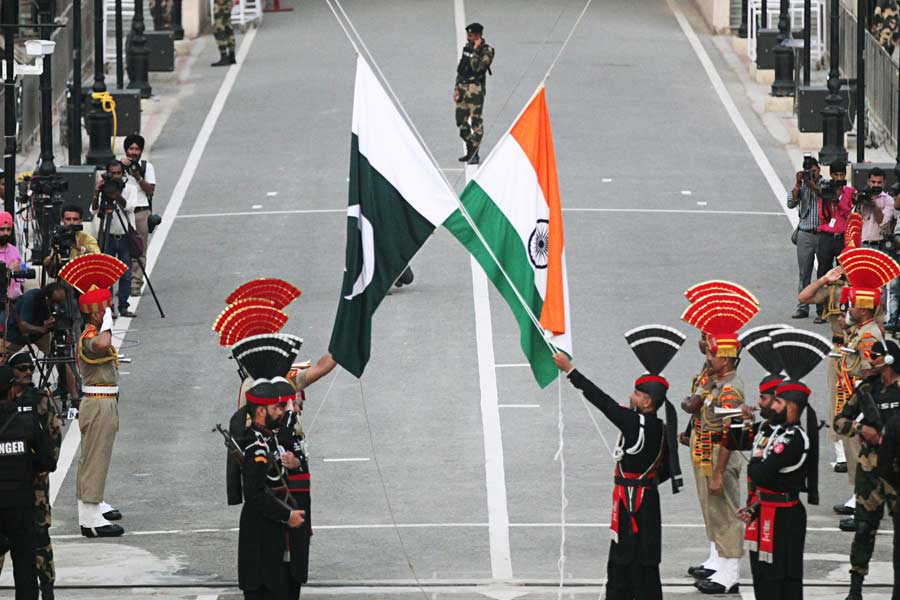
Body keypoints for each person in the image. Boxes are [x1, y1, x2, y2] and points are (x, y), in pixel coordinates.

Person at [551, 323, 684, 600]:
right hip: (649, 501)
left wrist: (570, 370)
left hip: (631, 503)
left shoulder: (634, 423)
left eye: (636, 393)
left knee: (622, 561)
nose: (630, 396)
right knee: (647, 562)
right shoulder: (661, 427)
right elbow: (664, 471)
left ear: (647, 401)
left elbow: (602, 401)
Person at [681, 282, 760, 595]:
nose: (707, 355)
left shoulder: (729, 390)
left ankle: (729, 574)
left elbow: (731, 435)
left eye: (712, 352)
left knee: (726, 511)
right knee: (710, 507)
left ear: (726, 359)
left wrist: (717, 471)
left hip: (719, 455)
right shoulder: (715, 377)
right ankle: (716, 559)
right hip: (705, 449)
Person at [740, 328, 826, 600]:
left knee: (782, 579)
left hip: (784, 517)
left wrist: (755, 462)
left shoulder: (793, 439)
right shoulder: (772, 430)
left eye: (776, 400)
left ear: (791, 406)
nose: (770, 405)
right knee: (763, 577)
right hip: (764, 509)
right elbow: (735, 441)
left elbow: (761, 473)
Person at [229, 333, 310, 599]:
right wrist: (288, 515)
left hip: (279, 547)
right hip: (264, 552)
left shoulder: (270, 441)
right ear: (262, 411)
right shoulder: (257, 447)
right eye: (279, 407)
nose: (286, 411)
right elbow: (255, 494)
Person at [834, 246, 898, 532]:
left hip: (864, 398)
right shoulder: (862, 330)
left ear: (865, 309)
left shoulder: (870, 335)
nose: (850, 309)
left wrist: (855, 371)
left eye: (854, 307)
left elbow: (871, 366)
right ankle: (856, 497)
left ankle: (862, 501)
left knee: (861, 450)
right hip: (853, 391)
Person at [0, 353, 62, 599]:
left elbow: (53, 439)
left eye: (31, 368)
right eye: (22, 368)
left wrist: (41, 470)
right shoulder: (20, 416)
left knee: (40, 535)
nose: (28, 372)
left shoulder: (39, 400)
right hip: (20, 492)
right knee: (19, 551)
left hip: (33, 486)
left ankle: (47, 584)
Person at [74, 285, 124, 537]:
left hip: (103, 402)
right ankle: (91, 519)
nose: (109, 311)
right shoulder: (89, 336)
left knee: (96, 456)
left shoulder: (92, 332)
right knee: (95, 459)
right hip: (98, 404)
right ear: (95, 315)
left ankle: (92, 506)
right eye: (104, 309)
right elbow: (103, 344)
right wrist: (107, 323)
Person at [799, 266, 852, 474]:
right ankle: (841, 453)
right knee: (837, 400)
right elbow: (803, 297)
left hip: (861, 350)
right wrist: (823, 280)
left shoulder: (869, 292)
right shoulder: (834, 290)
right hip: (839, 350)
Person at [0, 282, 79, 405]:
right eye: (54, 302)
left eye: (60, 302)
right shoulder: (31, 298)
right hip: (16, 334)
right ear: (47, 297)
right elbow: (23, 326)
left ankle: (75, 397)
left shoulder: (57, 303)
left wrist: (62, 331)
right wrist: (42, 328)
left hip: (40, 333)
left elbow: (61, 319)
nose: (56, 305)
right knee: (2, 359)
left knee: (60, 358)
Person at [92, 161, 138, 319]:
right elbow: (95, 210)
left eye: (119, 173)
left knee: (125, 273)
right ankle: (108, 308)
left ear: (123, 174)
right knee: (107, 274)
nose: (116, 176)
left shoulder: (130, 189)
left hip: (125, 236)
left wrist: (116, 194)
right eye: (113, 174)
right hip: (107, 235)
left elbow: (130, 207)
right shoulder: (104, 189)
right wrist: (98, 192)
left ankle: (124, 306)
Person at [815, 161, 855, 324]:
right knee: (823, 273)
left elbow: (847, 212)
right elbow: (823, 216)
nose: (839, 178)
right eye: (836, 175)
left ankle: (842, 309)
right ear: (831, 175)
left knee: (844, 274)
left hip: (842, 237)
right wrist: (830, 199)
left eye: (841, 175)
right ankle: (820, 310)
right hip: (826, 236)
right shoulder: (825, 192)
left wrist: (839, 198)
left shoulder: (850, 191)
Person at [788, 155, 824, 319]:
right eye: (809, 172)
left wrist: (813, 184)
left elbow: (827, 196)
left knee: (823, 273)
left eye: (814, 171)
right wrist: (798, 183)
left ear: (819, 170)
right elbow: (791, 203)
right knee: (804, 273)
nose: (812, 174)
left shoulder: (825, 184)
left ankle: (821, 309)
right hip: (805, 234)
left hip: (823, 234)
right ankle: (802, 306)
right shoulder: (802, 186)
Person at [454, 22, 494, 165]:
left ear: (478, 36)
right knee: (461, 121)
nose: (468, 37)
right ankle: (470, 147)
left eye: (470, 35)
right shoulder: (467, 47)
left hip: (475, 90)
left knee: (476, 121)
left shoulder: (487, 50)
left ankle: (474, 152)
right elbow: (461, 69)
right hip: (463, 88)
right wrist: (456, 88)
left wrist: (476, 50)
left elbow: (477, 67)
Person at [121, 135, 156, 297]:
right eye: (131, 149)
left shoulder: (146, 167)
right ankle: (124, 283)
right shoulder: (119, 166)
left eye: (137, 149)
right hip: (123, 211)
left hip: (141, 212)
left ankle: (136, 283)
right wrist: (122, 168)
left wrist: (137, 176)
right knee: (122, 249)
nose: (134, 152)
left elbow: (150, 190)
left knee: (139, 249)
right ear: (126, 150)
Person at [858, 167, 895, 249]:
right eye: (873, 182)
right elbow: (855, 219)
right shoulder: (863, 197)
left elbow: (883, 223)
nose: (876, 185)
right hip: (862, 244)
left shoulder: (889, 200)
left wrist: (873, 204)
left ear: (884, 183)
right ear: (868, 182)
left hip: (880, 245)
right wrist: (858, 202)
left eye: (879, 182)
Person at [0, 211, 23, 302]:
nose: (6, 233)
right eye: (2, 229)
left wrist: (18, 270)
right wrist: (9, 270)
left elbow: (21, 279)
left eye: (8, 229)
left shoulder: (14, 251)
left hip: (16, 300)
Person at [212, 0, 236, 67]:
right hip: (227, 3)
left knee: (219, 29)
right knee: (227, 26)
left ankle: (224, 57)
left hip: (221, 3)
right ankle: (231, 55)